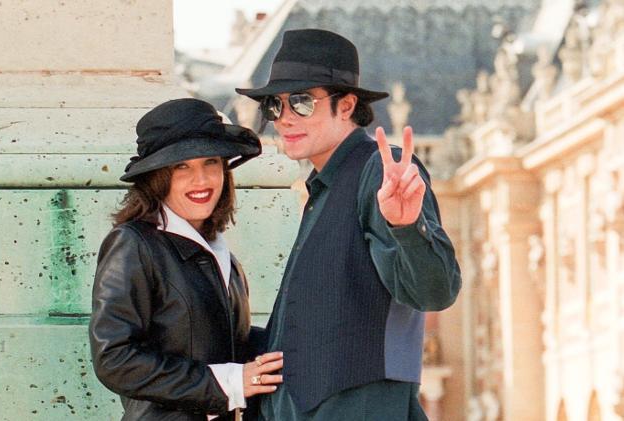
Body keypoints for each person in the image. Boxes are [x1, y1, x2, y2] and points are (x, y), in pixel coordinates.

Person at [235, 29, 462, 420]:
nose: (284, 119)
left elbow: (435, 292)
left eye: (302, 102)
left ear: (347, 105)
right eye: (275, 106)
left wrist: (406, 227)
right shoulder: (325, 186)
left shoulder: (379, 170)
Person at [89, 98, 283, 421]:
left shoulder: (223, 255)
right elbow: (114, 359)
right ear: (157, 177)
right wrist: (229, 382)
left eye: (211, 162)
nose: (202, 180)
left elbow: (227, 343)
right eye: (182, 166)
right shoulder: (133, 244)